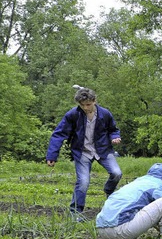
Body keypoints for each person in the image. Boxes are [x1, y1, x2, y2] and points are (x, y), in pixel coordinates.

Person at [46, 86, 122, 221]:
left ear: (94, 101)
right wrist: (52, 155)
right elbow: (58, 134)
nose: (86, 108)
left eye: (88, 104)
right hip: (82, 152)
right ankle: (75, 212)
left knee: (117, 173)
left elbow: (113, 129)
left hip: (103, 150)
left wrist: (114, 137)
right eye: (82, 105)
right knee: (83, 182)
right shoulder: (73, 115)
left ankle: (109, 190)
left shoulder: (105, 114)